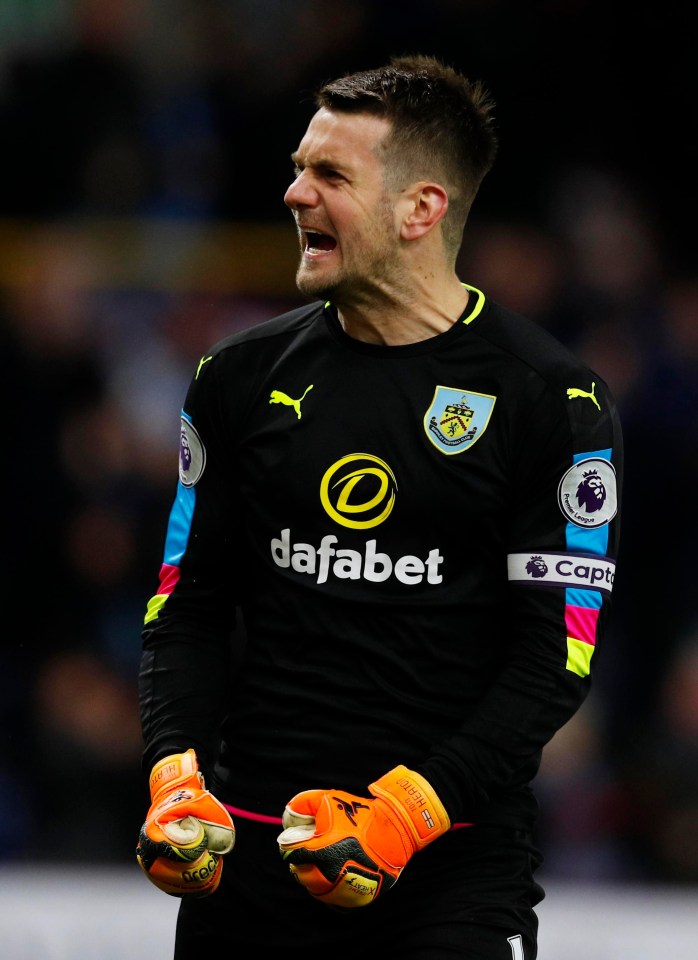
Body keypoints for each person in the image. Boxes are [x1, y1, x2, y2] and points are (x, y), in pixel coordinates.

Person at [136, 54, 623, 959]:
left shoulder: (552, 402)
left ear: (421, 210)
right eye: (297, 167)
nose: (293, 194)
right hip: (250, 858)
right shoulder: (237, 379)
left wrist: (405, 812)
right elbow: (184, 606)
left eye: (329, 175)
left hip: (445, 870)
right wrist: (175, 772)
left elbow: (555, 658)